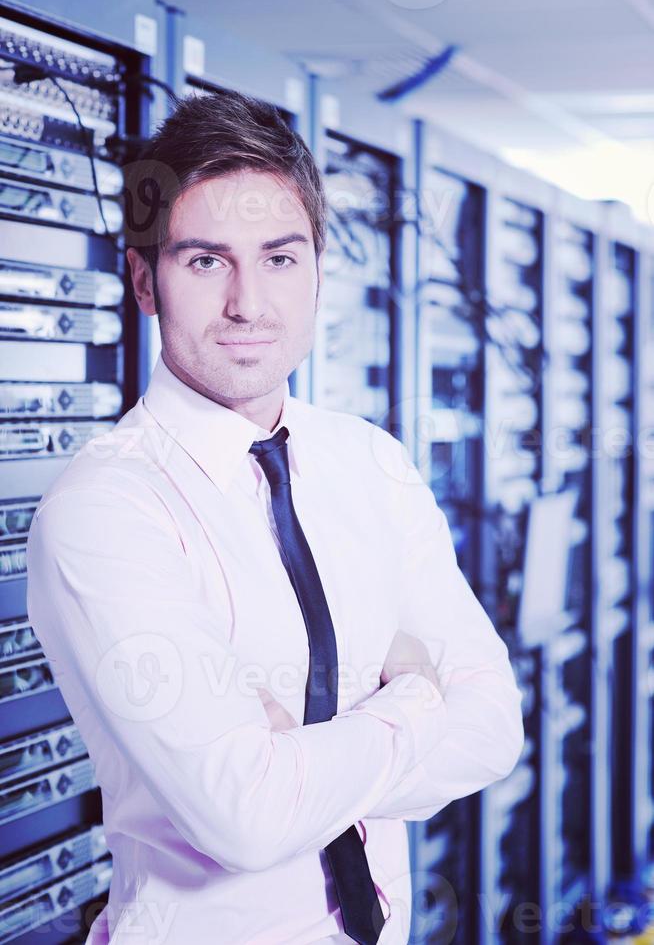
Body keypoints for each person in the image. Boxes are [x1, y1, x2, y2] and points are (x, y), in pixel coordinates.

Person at [26, 89, 524, 945]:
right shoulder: (105, 510)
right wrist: (409, 702)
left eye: (281, 259)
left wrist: (306, 756)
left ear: (319, 274)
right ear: (145, 281)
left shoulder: (369, 462)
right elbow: (246, 816)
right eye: (206, 261)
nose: (248, 303)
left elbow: (492, 729)